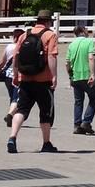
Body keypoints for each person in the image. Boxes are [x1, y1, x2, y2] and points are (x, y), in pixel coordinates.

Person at [7, 10, 60, 154]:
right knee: (45, 112)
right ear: (48, 22)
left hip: (25, 79)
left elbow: (16, 57)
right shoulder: (50, 35)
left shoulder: (24, 35)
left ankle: (12, 138)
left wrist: (15, 75)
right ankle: (46, 143)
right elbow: (51, 57)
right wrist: (54, 76)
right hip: (43, 80)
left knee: (22, 109)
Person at [67, 23, 95, 134]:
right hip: (86, 75)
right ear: (82, 31)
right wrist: (93, 74)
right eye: (86, 29)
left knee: (78, 101)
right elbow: (91, 58)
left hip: (76, 76)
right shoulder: (89, 42)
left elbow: (67, 63)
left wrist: (70, 76)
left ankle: (76, 125)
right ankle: (86, 122)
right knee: (94, 98)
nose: (87, 31)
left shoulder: (71, 45)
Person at [0, 28, 24, 127]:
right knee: (17, 98)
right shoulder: (22, 47)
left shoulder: (9, 47)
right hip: (18, 75)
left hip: (8, 75)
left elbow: (2, 62)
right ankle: (11, 115)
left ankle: (11, 118)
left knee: (12, 97)